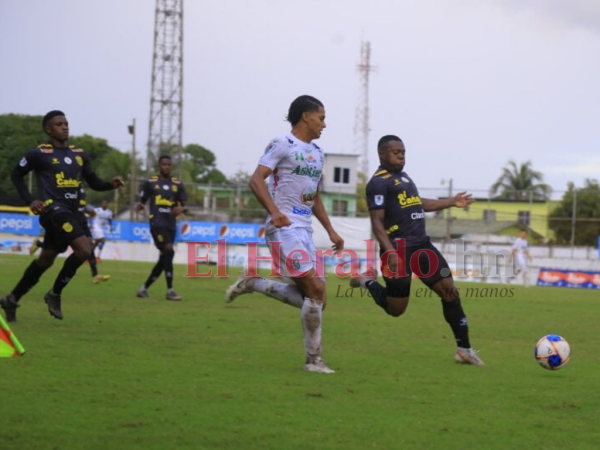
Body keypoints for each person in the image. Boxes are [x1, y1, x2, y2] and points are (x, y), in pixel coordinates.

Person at [224, 95, 344, 374]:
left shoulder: (317, 152)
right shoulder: (282, 144)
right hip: (283, 230)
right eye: (321, 117)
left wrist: (330, 229)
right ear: (306, 116)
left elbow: (312, 196)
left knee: (319, 300)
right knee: (314, 290)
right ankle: (313, 360)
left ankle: (254, 283)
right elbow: (255, 180)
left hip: (305, 230)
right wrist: (275, 211)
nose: (324, 124)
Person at [349, 135, 485, 366]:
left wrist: (451, 202)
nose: (401, 155)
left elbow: (418, 202)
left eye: (403, 152)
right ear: (382, 154)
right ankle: (367, 282)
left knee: (449, 292)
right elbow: (377, 222)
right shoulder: (378, 183)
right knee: (396, 310)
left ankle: (464, 349)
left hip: (422, 247)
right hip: (398, 251)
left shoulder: (404, 178)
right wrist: (389, 250)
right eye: (395, 152)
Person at [0, 110, 124, 322]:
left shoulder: (79, 154)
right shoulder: (38, 153)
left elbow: (93, 182)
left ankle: (11, 299)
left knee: (45, 260)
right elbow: (16, 174)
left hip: (71, 212)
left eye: (66, 123)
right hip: (52, 210)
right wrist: (31, 200)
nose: (64, 127)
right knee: (85, 248)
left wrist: (109, 185)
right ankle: (55, 293)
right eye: (59, 124)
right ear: (48, 129)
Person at [135, 155, 187, 301]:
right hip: (156, 223)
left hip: (170, 224)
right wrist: (140, 206)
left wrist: (181, 209)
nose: (166, 167)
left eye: (169, 165)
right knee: (169, 250)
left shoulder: (177, 184)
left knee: (166, 256)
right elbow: (143, 201)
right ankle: (170, 290)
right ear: (159, 166)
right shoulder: (151, 183)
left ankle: (143, 288)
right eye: (164, 164)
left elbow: (184, 205)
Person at [78, 186, 111, 284]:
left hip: (83, 223)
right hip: (75, 223)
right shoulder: (69, 188)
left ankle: (95, 275)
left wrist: (88, 212)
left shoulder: (81, 188)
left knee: (90, 246)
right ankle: (40, 244)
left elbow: (85, 208)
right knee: (58, 247)